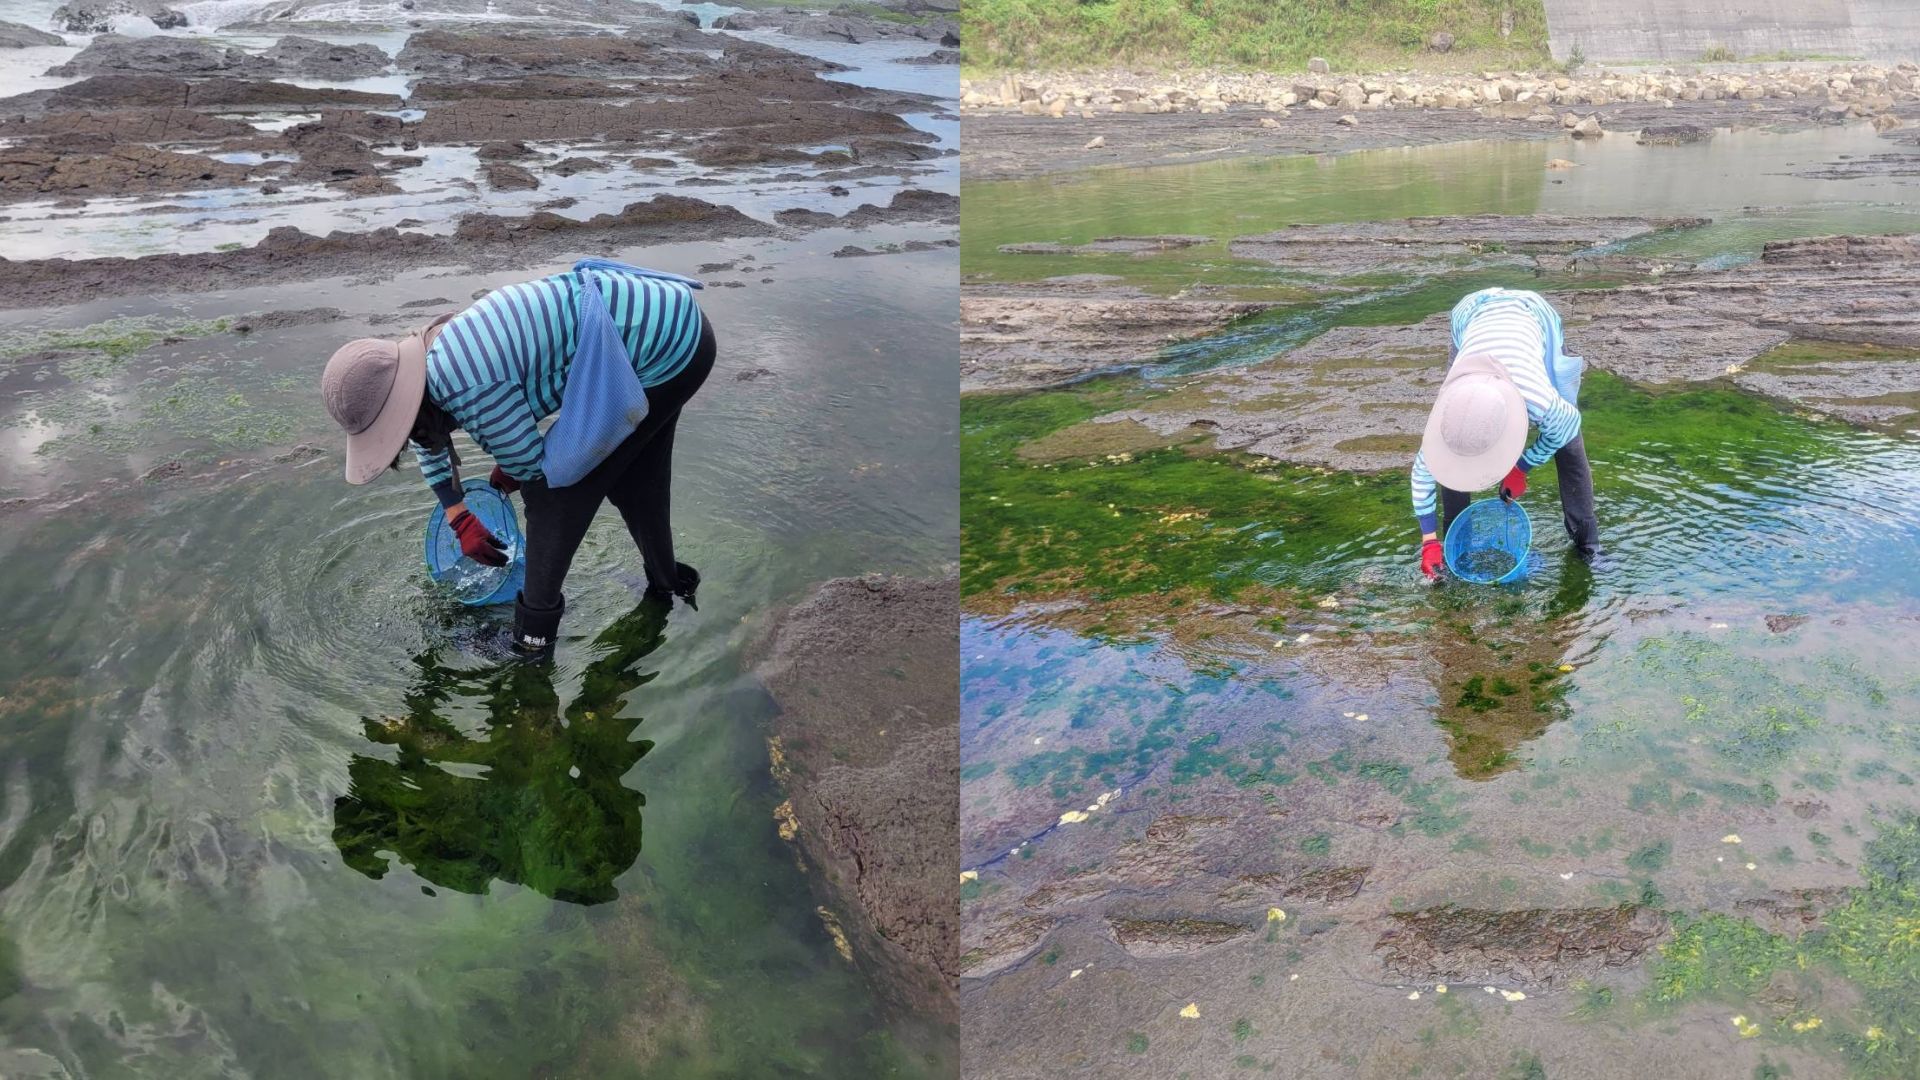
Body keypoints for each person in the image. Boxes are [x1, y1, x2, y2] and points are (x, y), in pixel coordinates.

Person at [320, 262, 714, 655]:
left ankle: (531, 641)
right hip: (672, 324)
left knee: (557, 496)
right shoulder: (432, 359)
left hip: (660, 347)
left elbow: (535, 474)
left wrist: (513, 466)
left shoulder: (465, 382)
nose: (404, 440)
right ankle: (668, 586)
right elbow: (430, 438)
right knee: (636, 482)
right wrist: (457, 514)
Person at [1412, 287, 1599, 580]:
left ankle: (1588, 545)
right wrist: (1429, 541)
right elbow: (1423, 472)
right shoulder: (1446, 411)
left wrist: (1521, 467)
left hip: (1534, 315)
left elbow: (1568, 426)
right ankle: (1454, 546)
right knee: (1458, 446)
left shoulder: (1540, 401)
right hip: (1470, 313)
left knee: (1569, 445)